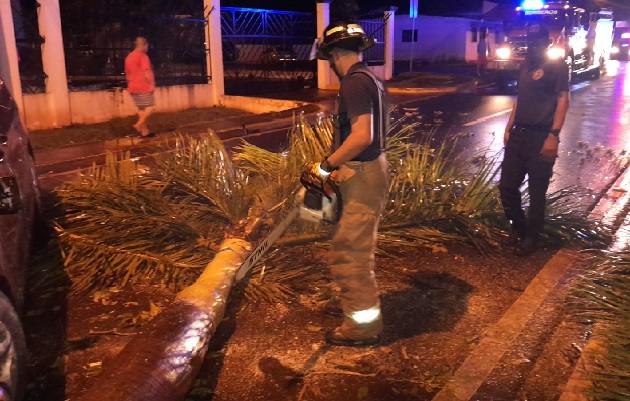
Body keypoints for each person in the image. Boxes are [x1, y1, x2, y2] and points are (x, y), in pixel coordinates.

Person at [300, 21, 389, 346]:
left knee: (350, 252)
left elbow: (361, 135)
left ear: (334, 53)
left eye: (330, 58)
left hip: (363, 174)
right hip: (366, 170)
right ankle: (354, 306)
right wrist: (339, 169)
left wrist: (326, 166)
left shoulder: (353, 83)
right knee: (348, 245)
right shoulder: (371, 79)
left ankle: (363, 327)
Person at [500, 23, 569, 256]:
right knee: (507, 187)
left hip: (542, 136)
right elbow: (520, 100)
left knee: (537, 193)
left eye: (538, 41)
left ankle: (532, 238)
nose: (534, 45)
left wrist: (554, 135)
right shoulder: (526, 66)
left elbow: (562, 100)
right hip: (519, 135)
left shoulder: (557, 66)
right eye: (531, 41)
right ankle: (518, 228)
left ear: (546, 41)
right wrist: (508, 128)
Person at [125, 37, 156, 138]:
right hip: (143, 86)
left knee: (141, 109)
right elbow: (147, 71)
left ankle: (145, 132)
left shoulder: (129, 57)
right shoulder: (143, 56)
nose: (148, 47)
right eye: (146, 45)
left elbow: (127, 74)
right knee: (151, 107)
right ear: (142, 45)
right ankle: (138, 124)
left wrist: (129, 84)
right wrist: (152, 84)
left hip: (132, 86)